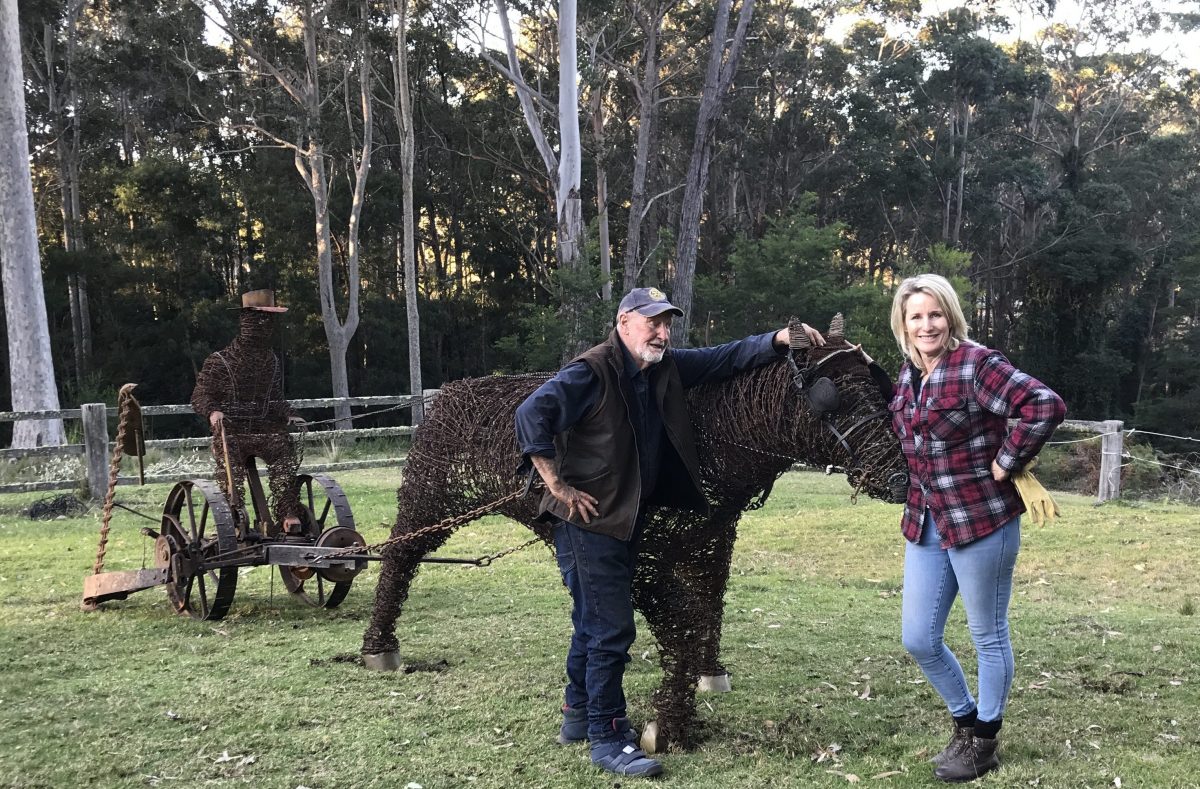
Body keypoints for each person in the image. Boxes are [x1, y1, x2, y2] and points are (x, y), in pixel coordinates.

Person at [515, 287, 825, 778]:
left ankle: (577, 717)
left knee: (592, 621)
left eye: (667, 323)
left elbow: (724, 358)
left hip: (623, 518)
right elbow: (532, 413)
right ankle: (608, 736)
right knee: (611, 630)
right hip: (589, 522)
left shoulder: (662, 367)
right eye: (651, 321)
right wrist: (557, 484)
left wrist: (778, 339)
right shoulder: (592, 370)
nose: (661, 332)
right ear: (623, 322)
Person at [886, 274, 1065, 782]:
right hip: (926, 522)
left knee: (987, 633)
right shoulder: (907, 376)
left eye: (935, 314)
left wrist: (1009, 460)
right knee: (919, 638)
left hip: (982, 518)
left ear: (951, 316)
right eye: (916, 316)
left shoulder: (975, 364)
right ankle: (965, 720)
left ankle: (984, 739)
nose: (927, 325)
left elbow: (1042, 404)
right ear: (903, 323)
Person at [190, 289, 306, 535]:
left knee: (284, 450)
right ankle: (234, 515)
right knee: (230, 466)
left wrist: (289, 414)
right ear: (246, 321)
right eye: (259, 319)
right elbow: (200, 395)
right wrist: (213, 411)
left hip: (264, 431)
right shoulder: (220, 361)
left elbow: (274, 399)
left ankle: (288, 513)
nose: (265, 325)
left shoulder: (271, 361)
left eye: (269, 320)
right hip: (231, 432)